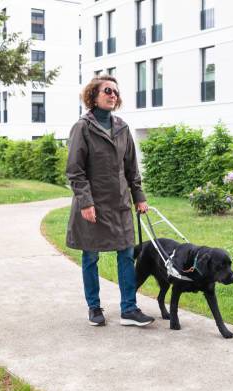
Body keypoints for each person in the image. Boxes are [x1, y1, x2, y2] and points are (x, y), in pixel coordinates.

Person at [66, 75, 154, 327]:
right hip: (92, 204)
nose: (113, 95)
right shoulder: (82, 127)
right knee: (90, 256)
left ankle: (129, 308)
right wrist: (85, 203)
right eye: (107, 90)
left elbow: (131, 169)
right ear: (93, 96)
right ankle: (94, 308)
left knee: (126, 254)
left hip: (119, 205)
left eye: (115, 91)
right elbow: (75, 170)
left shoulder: (123, 128)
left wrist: (139, 197)